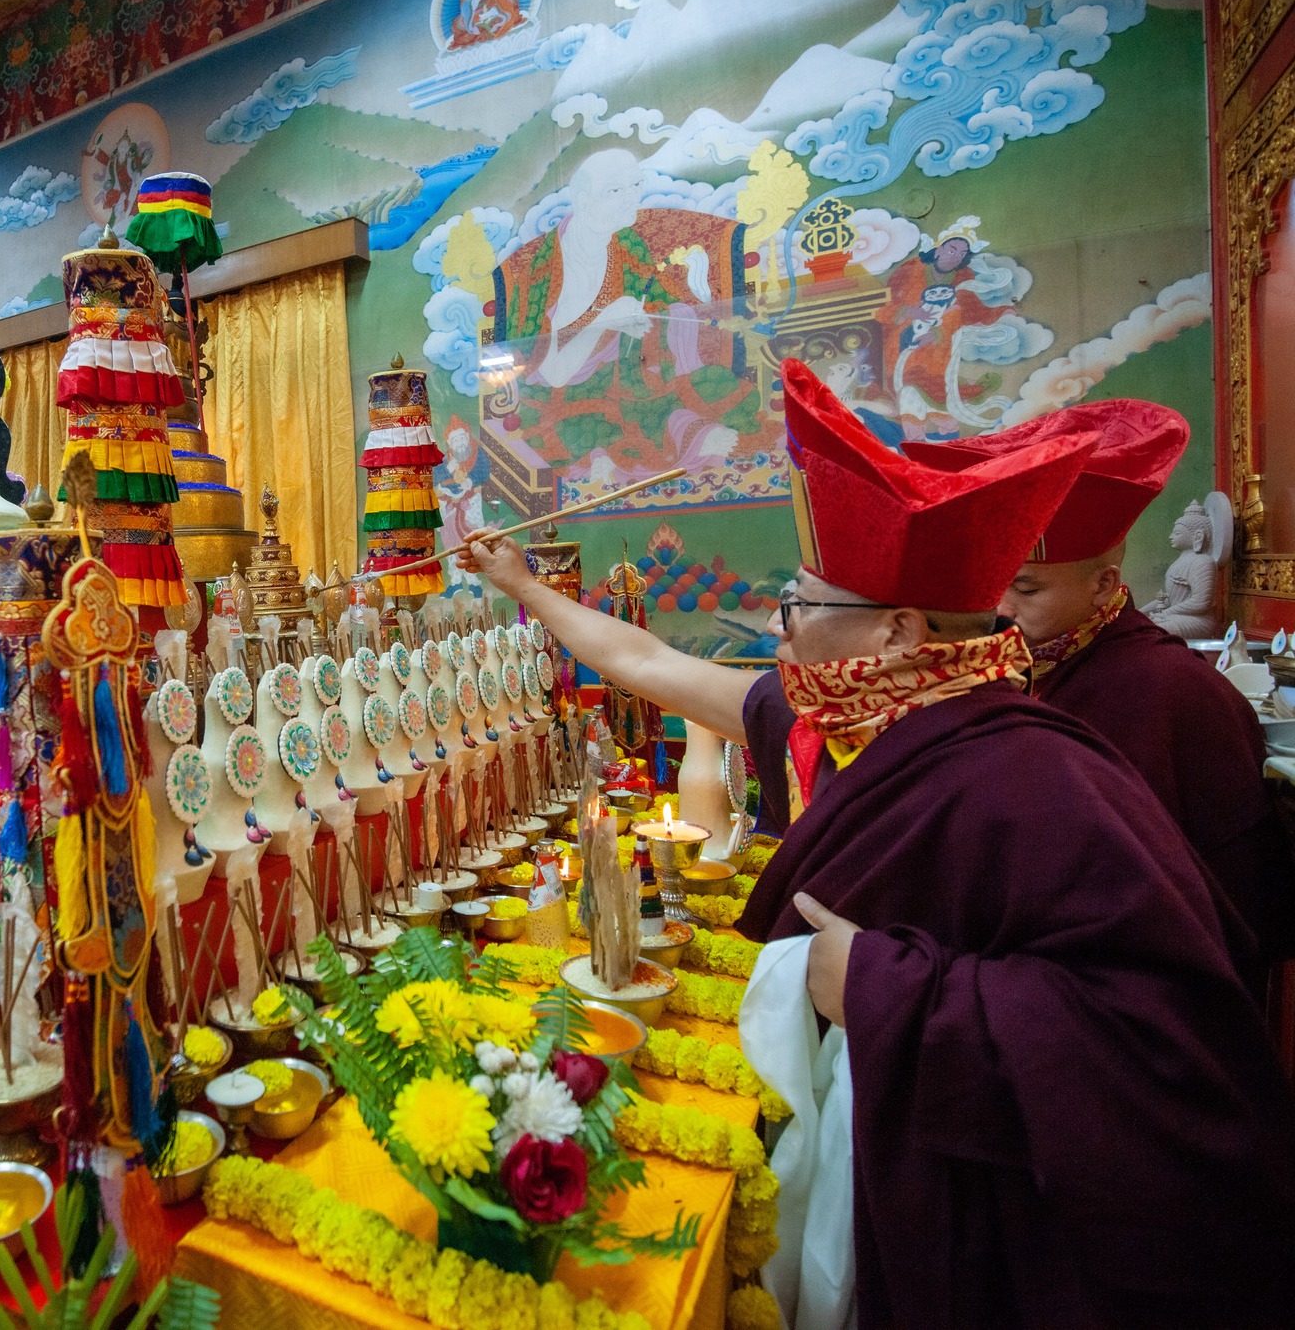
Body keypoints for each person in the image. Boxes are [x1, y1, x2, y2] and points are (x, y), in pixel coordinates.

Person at [462, 359, 1295, 1328]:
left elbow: (1165, 1046)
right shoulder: (845, 718)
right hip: (889, 1155)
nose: (781, 631)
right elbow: (649, 663)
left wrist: (880, 986)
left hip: (1002, 1234)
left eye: (801, 608)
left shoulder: (1030, 777)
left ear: (896, 632)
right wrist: (519, 583)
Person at [904, 400, 1292, 989]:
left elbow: (1226, 908)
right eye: (993, 585)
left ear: (1105, 584)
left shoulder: (1175, 694)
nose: (1001, 608)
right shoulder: (1012, 661)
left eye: (1026, 588)